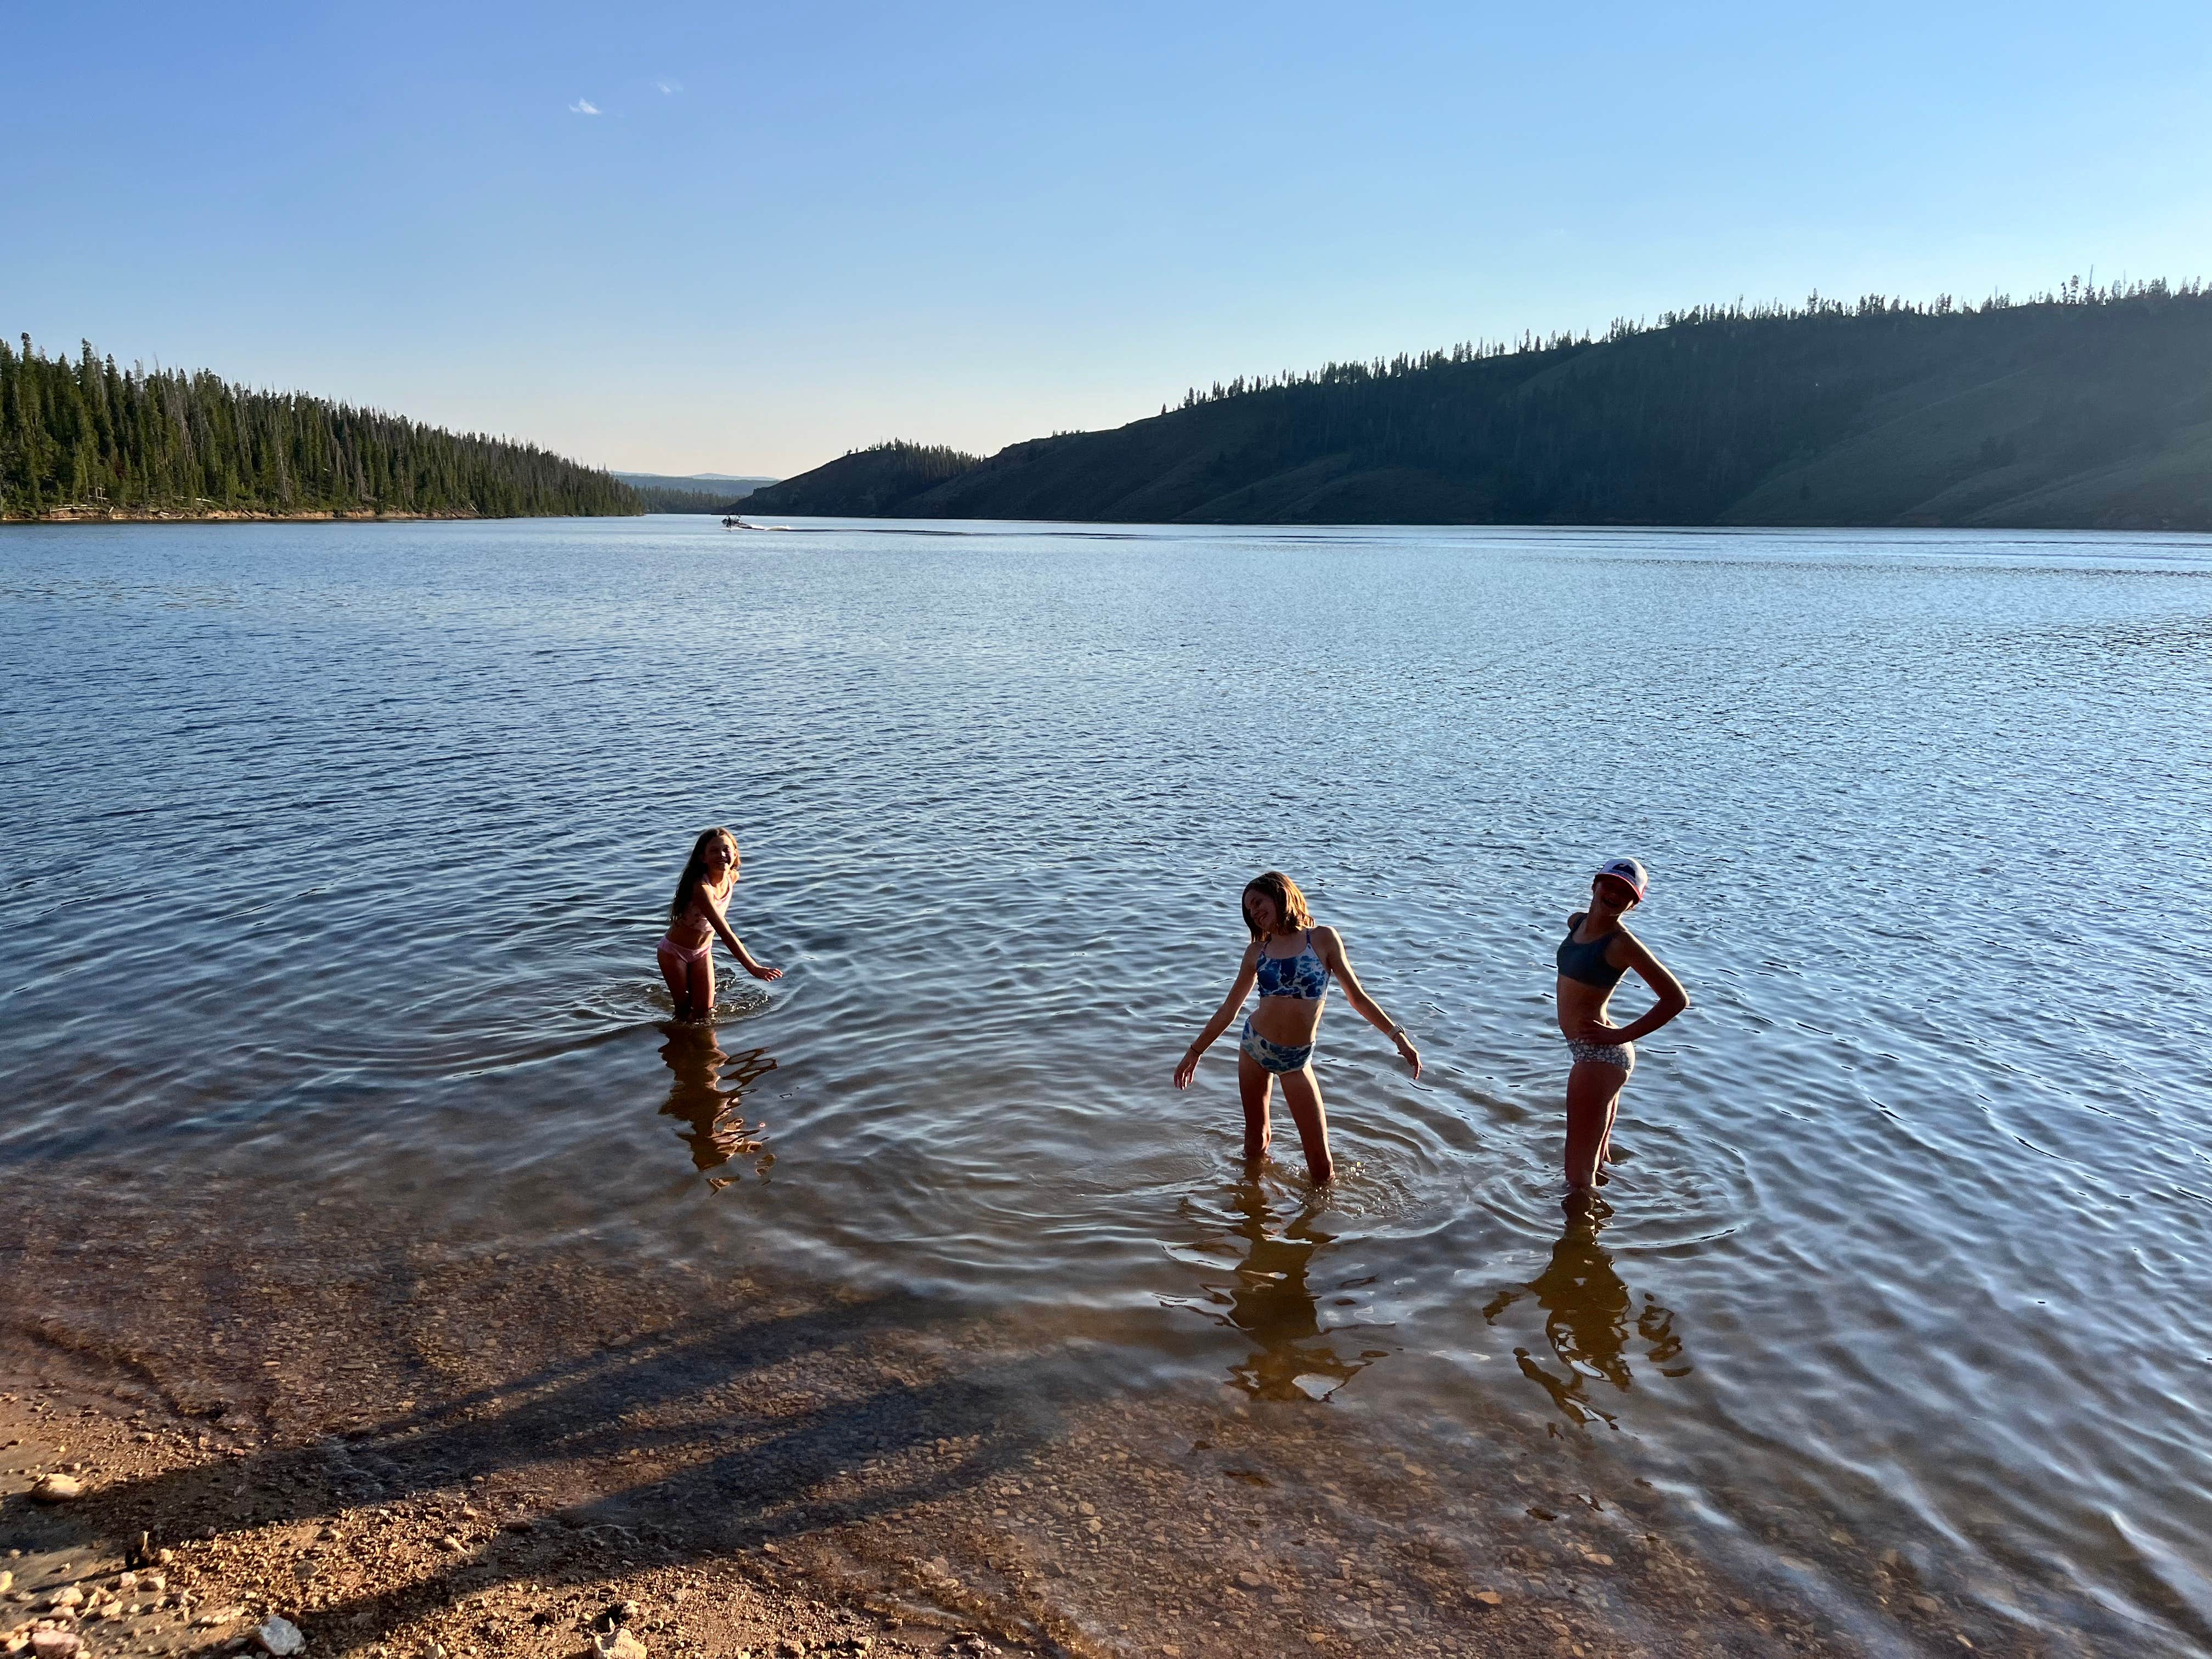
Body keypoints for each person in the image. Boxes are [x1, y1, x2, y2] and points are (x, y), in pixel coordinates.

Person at [1172, 871, 1420, 1186]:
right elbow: (1229, 1010)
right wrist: (1195, 1052)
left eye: (1258, 902)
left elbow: (1357, 998)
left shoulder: (1322, 939)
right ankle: (1251, 1199)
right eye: (1248, 910)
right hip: (1255, 1048)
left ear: (1280, 894)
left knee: (1321, 1163)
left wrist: (1398, 1037)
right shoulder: (1257, 953)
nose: (1254, 912)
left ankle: (1318, 1213)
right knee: (1256, 1141)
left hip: (1296, 1060)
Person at [1555, 856, 1687, 1210]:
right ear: (1595, 884)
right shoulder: (1577, 923)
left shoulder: (1621, 944)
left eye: (1625, 892)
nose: (1614, 894)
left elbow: (1675, 999)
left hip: (1599, 1056)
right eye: (1610, 885)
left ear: (1634, 903)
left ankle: (1579, 1231)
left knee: (1577, 1176)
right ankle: (1603, 1227)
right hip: (1596, 1055)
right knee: (1595, 1164)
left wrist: (1620, 1036)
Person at [657, 827, 781, 1022]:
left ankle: (703, 1042)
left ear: (735, 854)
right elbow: (725, 932)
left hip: (702, 952)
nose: (722, 855)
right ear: (703, 858)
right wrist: (753, 967)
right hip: (674, 952)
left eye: (726, 850)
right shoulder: (701, 888)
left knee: (705, 1013)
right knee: (683, 1012)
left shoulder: (733, 878)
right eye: (714, 851)